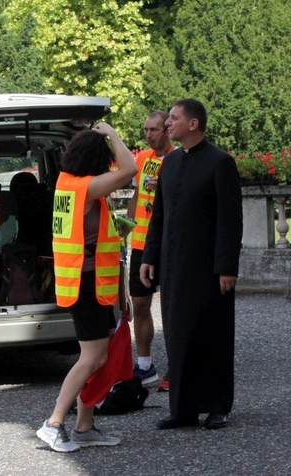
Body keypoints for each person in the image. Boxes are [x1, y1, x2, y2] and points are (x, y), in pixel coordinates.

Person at [140, 99, 243, 430]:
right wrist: (149, 257)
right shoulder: (169, 163)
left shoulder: (220, 163)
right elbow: (159, 217)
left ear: (193, 124)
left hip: (209, 268)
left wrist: (227, 267)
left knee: (212, 336)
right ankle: (182, 409)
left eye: (174, 118)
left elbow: (230, 221)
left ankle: (217, 406)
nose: (168, 123)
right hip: (173, 266)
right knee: (177, 335)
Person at [37, 122, 138, 452]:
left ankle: (84, 426)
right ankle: (54, 423)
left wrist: (121, 296)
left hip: (89, 283)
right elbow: (130, 168)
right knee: (92, 358)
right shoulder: (87, 188)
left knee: (96, 356)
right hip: (88, 283)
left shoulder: (69, 184)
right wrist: (111, 132)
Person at [124, 111, 175, 390]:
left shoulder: (180, 159)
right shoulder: (142, 158)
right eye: (146, 130)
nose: (149, 135)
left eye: (154, 130)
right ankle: (144, 365)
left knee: (171, 308)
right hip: (142, 243)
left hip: (167, 245)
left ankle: (176, 367)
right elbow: (136, 195)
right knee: (140, 304)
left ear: (168, 130)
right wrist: (128, 225)